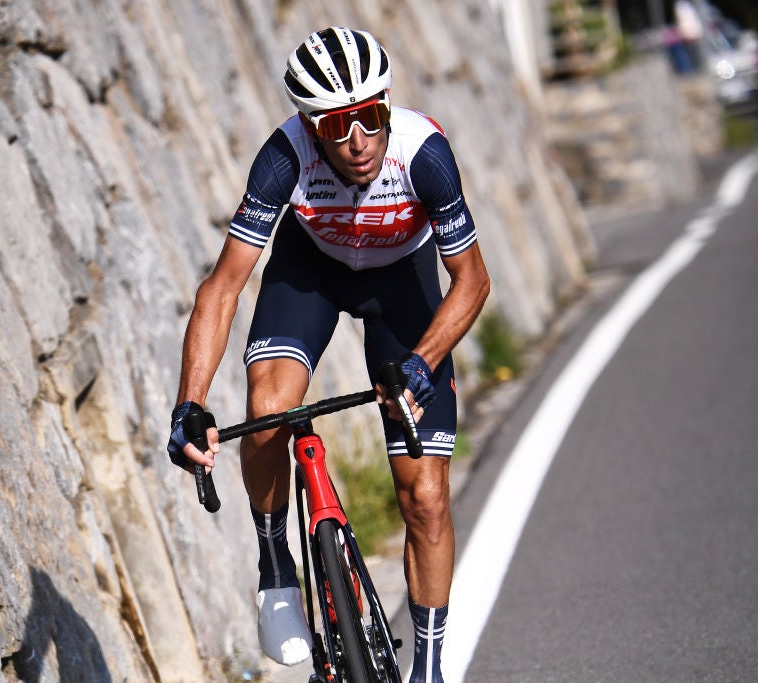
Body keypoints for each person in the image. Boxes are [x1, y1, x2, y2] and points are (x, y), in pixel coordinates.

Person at [166, 26, 490, 683]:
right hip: (310, 272)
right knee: (269, 405)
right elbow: (222, 287)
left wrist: (423, 361)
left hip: (402, 282)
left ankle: (427, 667)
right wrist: (190, 402)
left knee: (425, 497)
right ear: (313, 127)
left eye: (370, 118)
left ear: (386, 106)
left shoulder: (422, 154)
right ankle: (277, 570)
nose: (359, 141)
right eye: (339, 126)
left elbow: (473, 280)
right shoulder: (283, 158)